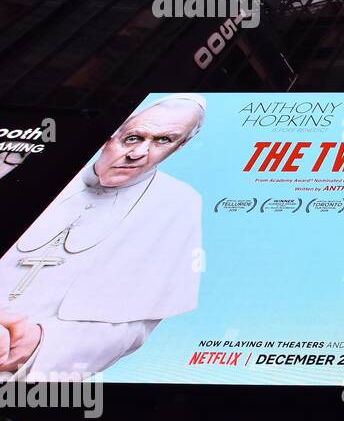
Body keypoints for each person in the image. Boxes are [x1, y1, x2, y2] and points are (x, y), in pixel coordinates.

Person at [0, 95, 205, 379]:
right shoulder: (40, 165)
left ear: (179, 146)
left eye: (163, 141)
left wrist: (39, 343)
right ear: (110, 135)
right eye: (133, 138)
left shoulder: (178, 202)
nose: (139, 153)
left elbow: (135, 323)